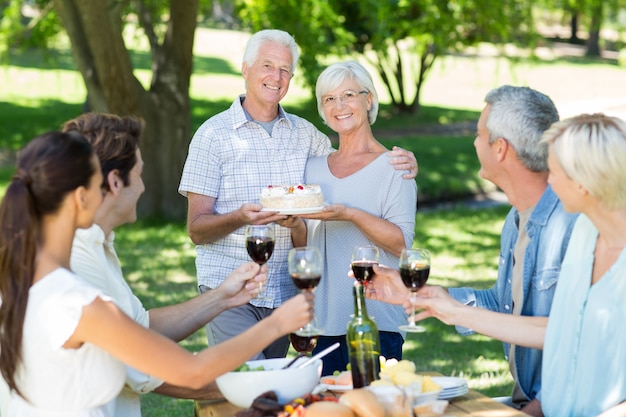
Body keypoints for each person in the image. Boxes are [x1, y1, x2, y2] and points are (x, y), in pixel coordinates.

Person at [0, 131, 314, 416]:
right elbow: (192, 371)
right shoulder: (76, 302)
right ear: (81, 197)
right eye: (98, 184)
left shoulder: (23, 278)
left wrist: (221, 297)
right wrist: (276, 325)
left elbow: (141, 329)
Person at [178, 29, 418, 360]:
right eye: (267, 65)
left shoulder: (308, 139)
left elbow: (356, 163)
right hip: (232, 290)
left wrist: (403, 162)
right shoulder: (213, 137)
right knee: (245, 388)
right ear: (245, 69)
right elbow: (196, 229)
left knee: (276, 399)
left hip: (287, 294)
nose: (276, 77)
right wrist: (241, 218)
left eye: (285, 70)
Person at [363, 85, 579, 415]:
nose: (474, 143)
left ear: (501, 149)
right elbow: (506, 307)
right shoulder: (516, 218)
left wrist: (534, 410)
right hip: (526, 401)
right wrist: (422, 295)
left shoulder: (571, 225)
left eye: (479, 135)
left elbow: (579, 338)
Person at [404, 114, 626, 417]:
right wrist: (449, 308)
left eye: (555, 171)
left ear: (584, 182)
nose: (547, 180)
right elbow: (560, 331)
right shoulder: (586, 236)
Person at [60, 113, 271, 416]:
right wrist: (272, 382)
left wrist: (223, 296)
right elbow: (151, 369)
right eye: (140, 174)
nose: (144, 187)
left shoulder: (96, 245)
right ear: (115, 182)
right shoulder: (75, 259)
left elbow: (140, 328)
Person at [290, 61, 417, 375]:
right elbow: (307, 243)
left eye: (348, 95)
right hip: (322, 323)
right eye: (329, 99)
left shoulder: (394, 166)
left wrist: (349, 214)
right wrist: (293, 223)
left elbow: (402, 245)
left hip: (377, 324)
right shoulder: (313, 167)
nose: (339, 106)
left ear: (368, 99)